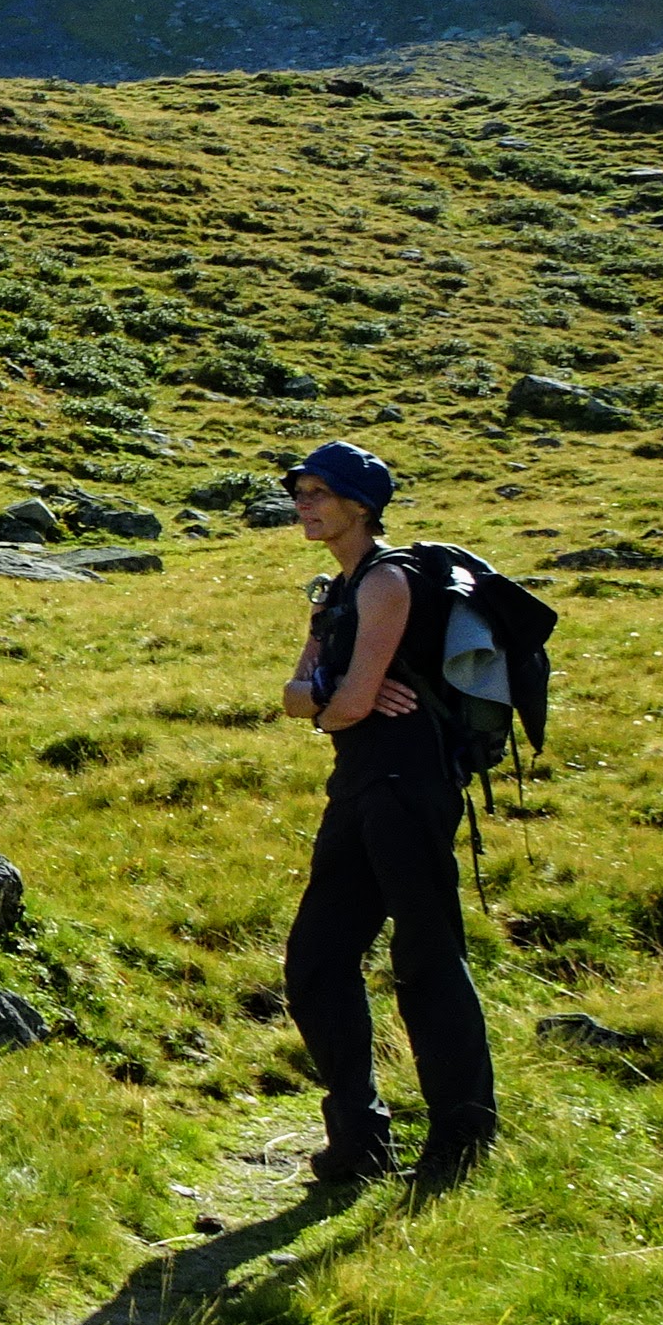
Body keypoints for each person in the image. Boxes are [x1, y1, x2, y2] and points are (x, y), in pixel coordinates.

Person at [278, 440, 499, 1194]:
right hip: (360, 783)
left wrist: (335, 697)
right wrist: (335, 697)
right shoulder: (332, 594)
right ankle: (360, 1141)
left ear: (361, 505)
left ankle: (462, 1138)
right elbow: (300, 697)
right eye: (300, 492)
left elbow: (337, 700)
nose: (304, 505)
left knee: (427, 956)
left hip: (409, 784)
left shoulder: (387, 582)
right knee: (316, 960)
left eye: (318, 492)